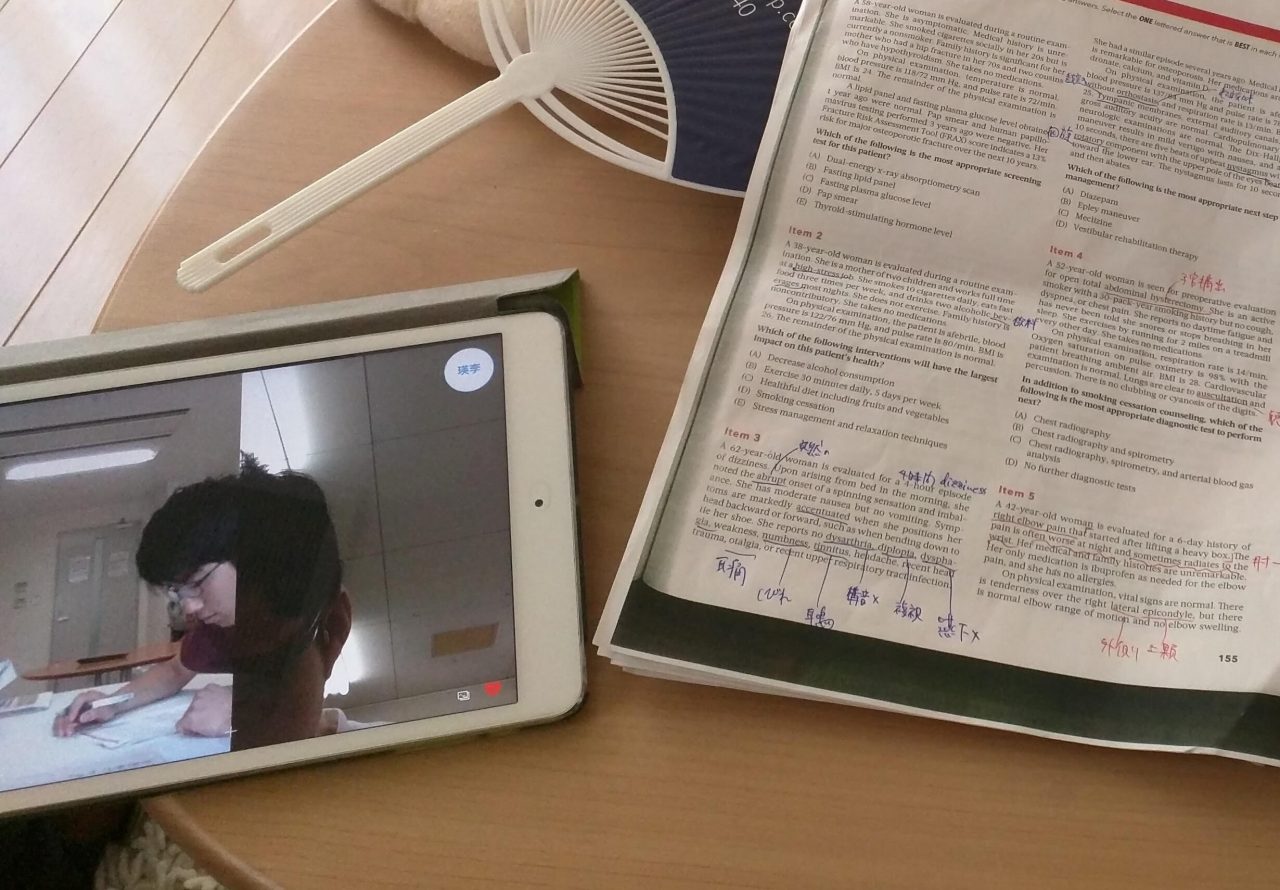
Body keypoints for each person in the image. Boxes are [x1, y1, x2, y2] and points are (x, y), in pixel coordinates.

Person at [53, 455, 354, 750]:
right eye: (178, 591)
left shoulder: (290, 610)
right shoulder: (218, 629)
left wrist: (239, 710)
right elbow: (175, 671)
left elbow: (296, 711)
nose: (189, 607)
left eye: (197, 583)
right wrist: (113, 703)